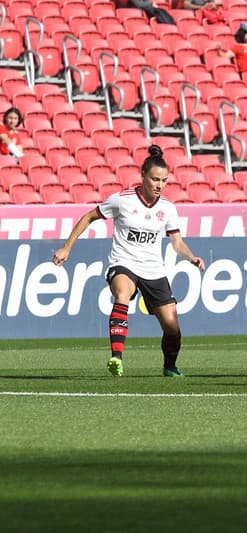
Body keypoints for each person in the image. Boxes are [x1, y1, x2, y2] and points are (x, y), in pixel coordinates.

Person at [52, 145, 206, 378]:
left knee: (172, 326)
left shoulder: (167, 208)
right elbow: (89, 217)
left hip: (153, 270)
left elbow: (176, 242)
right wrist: (66, 247)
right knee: (122, 293)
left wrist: (191, 257)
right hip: (124, 262)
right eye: (155, 179)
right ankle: (117, 357)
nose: (159, 185)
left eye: (164, 181)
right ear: (143, 176)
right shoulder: (121, 200)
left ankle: (170, 366)